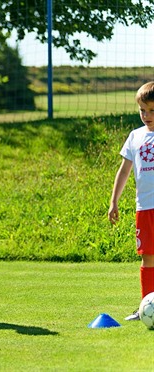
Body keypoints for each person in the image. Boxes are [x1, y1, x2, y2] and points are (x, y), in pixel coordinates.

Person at [109, 81, 154, 321]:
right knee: (148, 257)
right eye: (142, 110)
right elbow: (124, 171)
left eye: (152, 110)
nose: (146, 115)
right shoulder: (135, 136)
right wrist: (114, 201)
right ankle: (146, 306)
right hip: (145, 208)